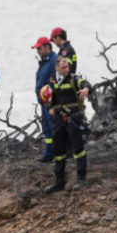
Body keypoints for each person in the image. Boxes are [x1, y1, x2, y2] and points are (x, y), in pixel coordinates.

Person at [40, 56, 91, 192]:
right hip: (58, 120)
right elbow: (48, 96)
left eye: (67, 66)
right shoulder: (53, 81)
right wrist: (50, 106)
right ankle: (59, 181)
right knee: (59, 150)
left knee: (78, 149)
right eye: (63, 65)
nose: (66, 67)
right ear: (56, 68)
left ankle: (82, 179)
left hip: (73, 118)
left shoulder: (74, 78)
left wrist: (85, 90)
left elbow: (85, 83)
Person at [32, 37, 58, 162]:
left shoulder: (54, 60)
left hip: (51, 102)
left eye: (40, 48)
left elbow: (57, 80)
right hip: (44, 102)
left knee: (54, 127)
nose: (38, 51)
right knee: (47, 128)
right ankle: (49, 153)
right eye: (37, 49)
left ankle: (58, 153)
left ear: (48, 47)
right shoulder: (44, 61)